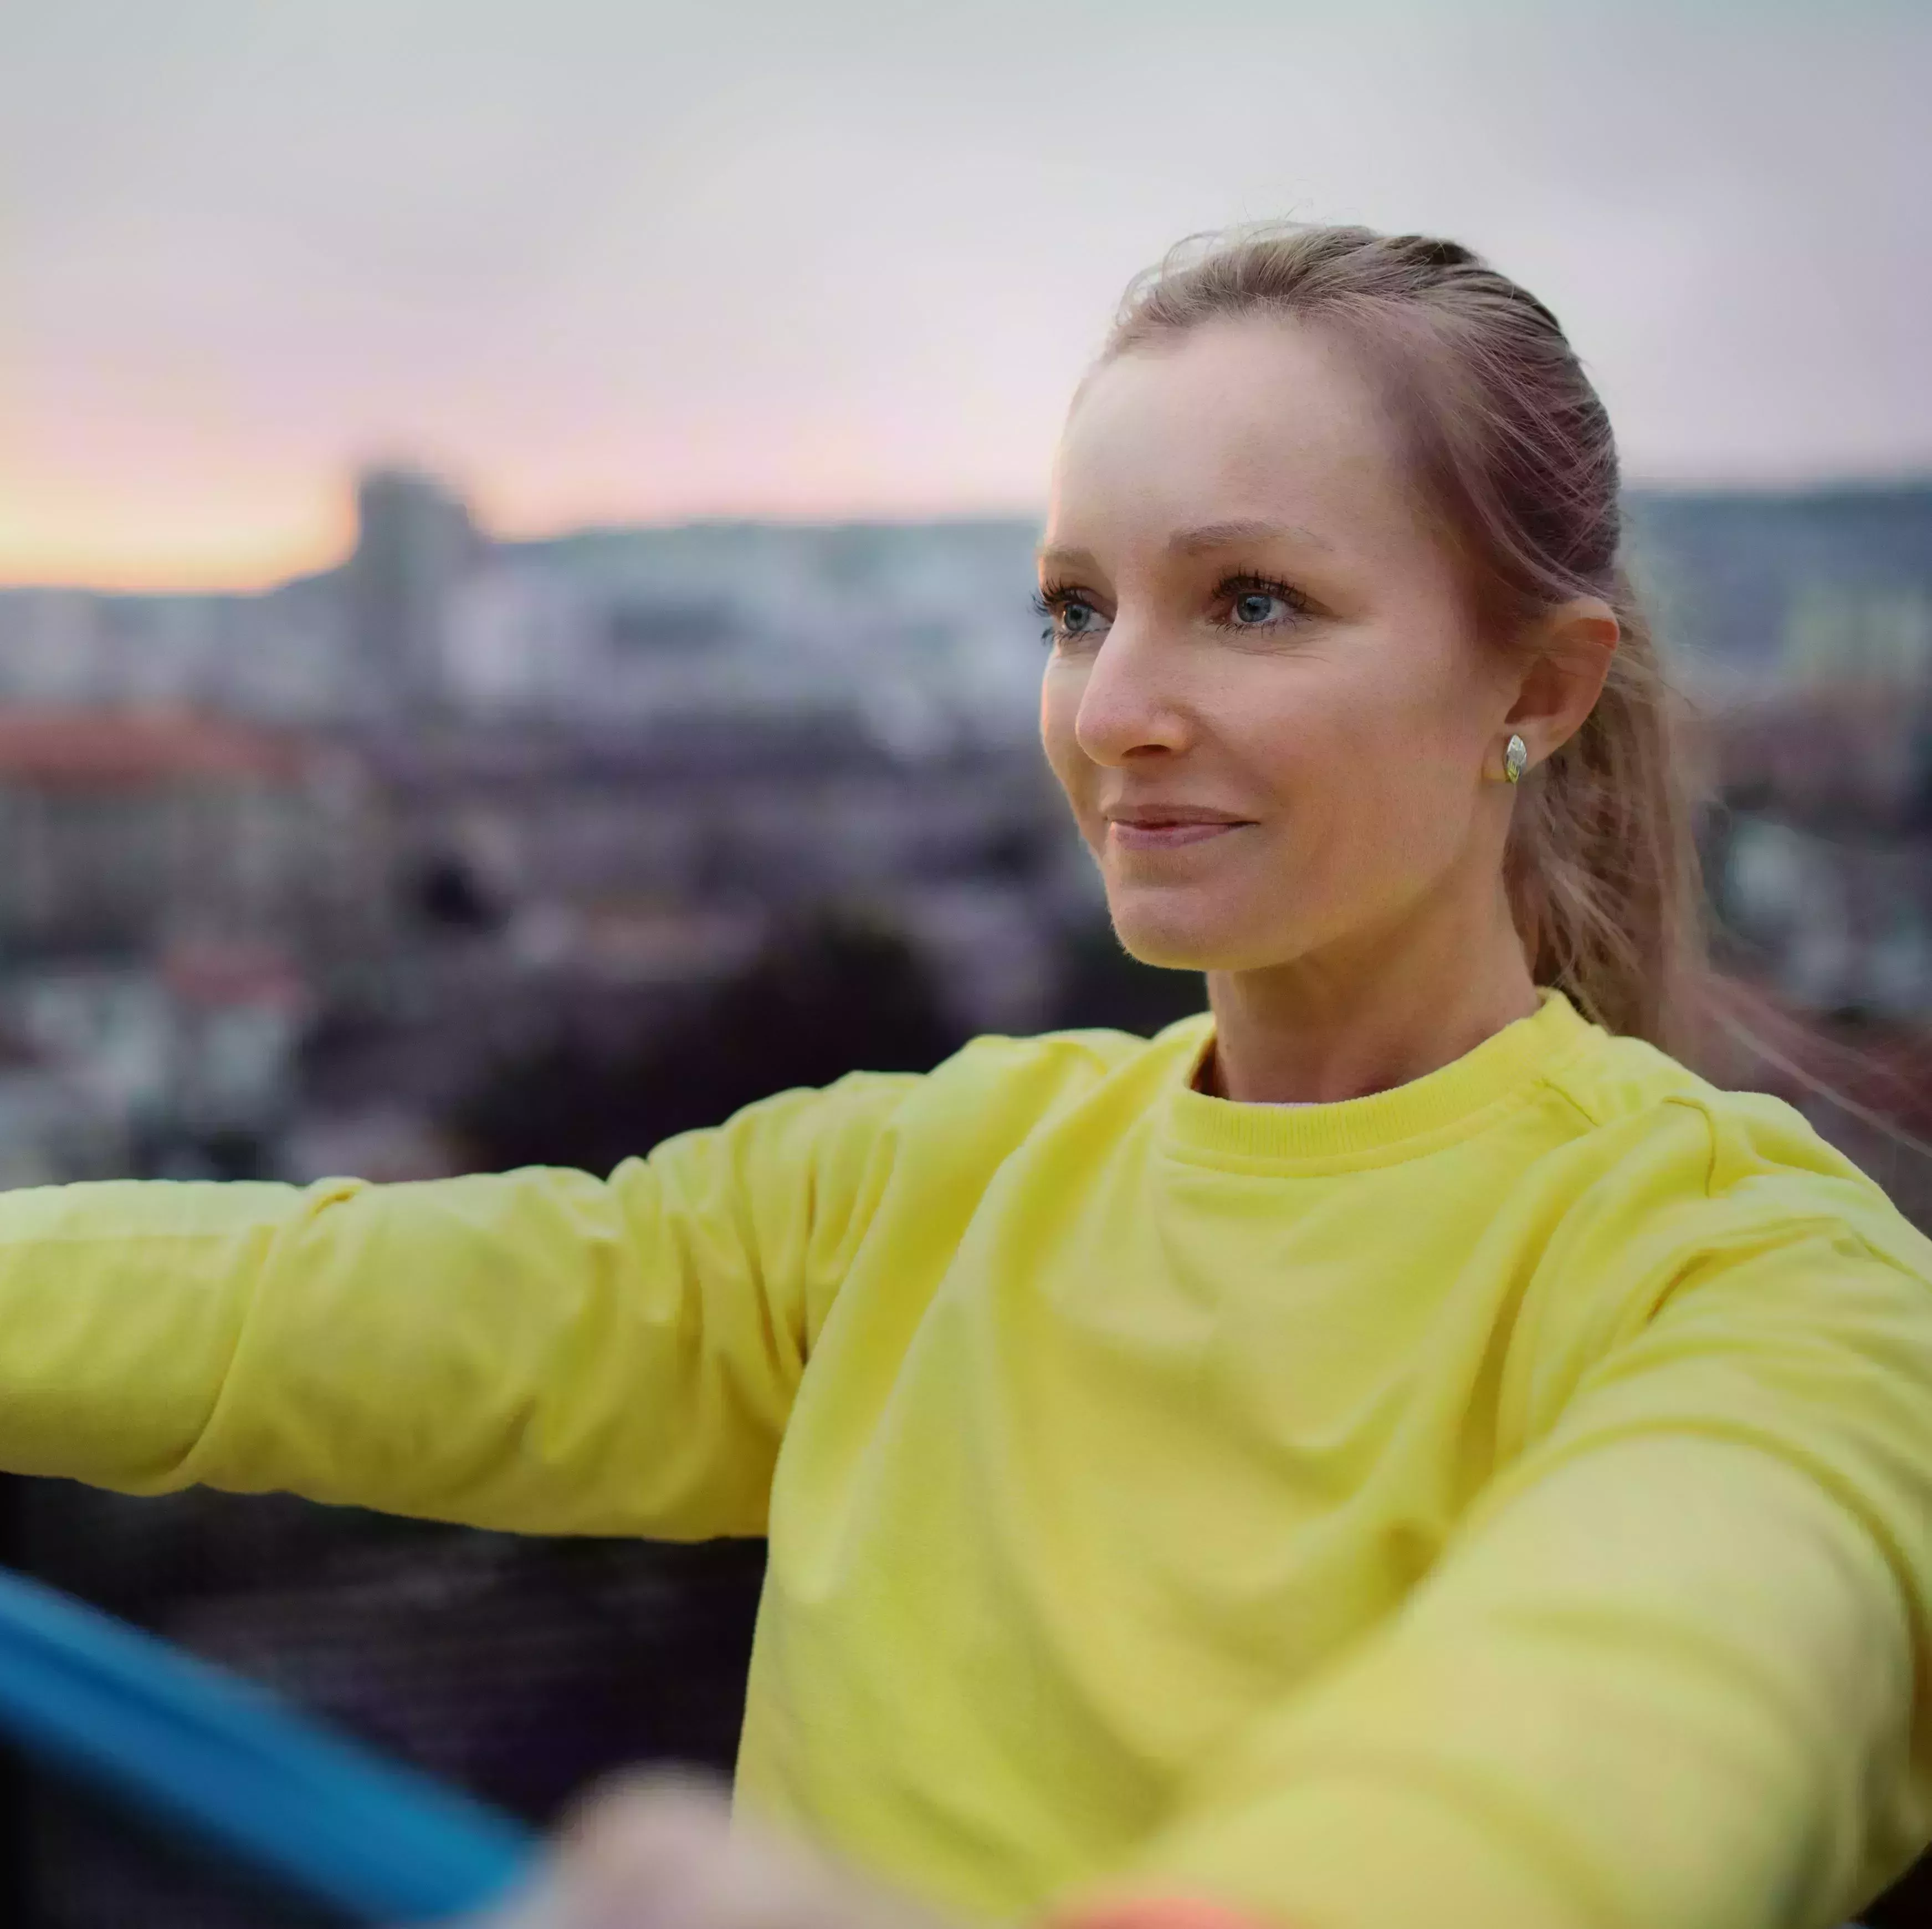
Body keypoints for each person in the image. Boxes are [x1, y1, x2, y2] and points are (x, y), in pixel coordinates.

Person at [3, 222, 1929, 1929]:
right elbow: (312, 1309)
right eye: (1075, 610)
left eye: (1250, 600)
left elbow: (1647, 1703)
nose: (1112, 712)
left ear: (1537, 686)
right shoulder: (928, 1182)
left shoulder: (1751, 1281)